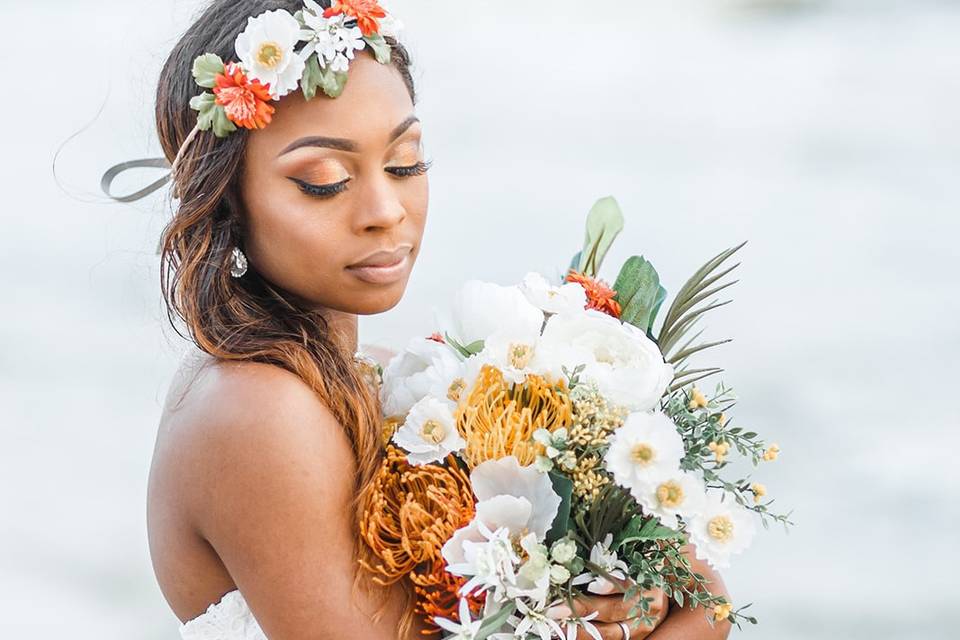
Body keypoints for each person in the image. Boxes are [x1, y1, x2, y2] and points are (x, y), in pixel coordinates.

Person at [101, 1, 732, 638]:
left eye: (405, 162)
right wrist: (692, 609)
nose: (385, 210)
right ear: (225, 198)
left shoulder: (364, 374)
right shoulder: (256, 409)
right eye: (323, 180)